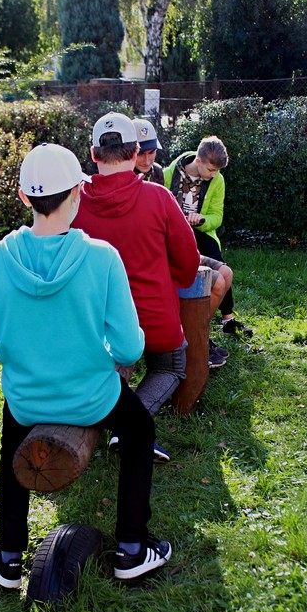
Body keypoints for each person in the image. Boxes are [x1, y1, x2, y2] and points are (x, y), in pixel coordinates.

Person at [0, 143, 172, 588]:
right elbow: (129, 348)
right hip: (93, 398)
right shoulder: (102, 257)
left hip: (27, 401)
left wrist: (21, 354)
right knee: (140, 430)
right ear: (79, 192)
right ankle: (132, 549)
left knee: (12, 439)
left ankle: (9, 556)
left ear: (24, 197)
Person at [73, 112, 200, 461]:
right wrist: (173, 279)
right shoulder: (159, 197)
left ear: (94, 154)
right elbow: (188, 262)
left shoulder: (74, 202)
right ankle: (131, 425)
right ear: (134, 153)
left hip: (96, 323)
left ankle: (115, 420)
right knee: (170, 365)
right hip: (154, 319)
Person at [133, 119, 230, 368]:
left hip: (177, 242)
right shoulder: (164, 174)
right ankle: (193, 339)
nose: (147, 159)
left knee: (224, 275)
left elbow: (210, 216)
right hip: (153, 253)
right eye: (141, 153)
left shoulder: (156, 172)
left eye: (152, 152)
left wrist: (199, 223)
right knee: (213, 280)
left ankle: (196, 335)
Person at [164, 136, 253, 338]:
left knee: (219, 261)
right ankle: (189, 324)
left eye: (217, 171)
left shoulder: (217, 180)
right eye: (211, 170)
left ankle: (225, 319)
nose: (214, 175)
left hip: (201, 231)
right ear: (198, 161)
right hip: (172, 234)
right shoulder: (169, 174)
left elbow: (217, 217)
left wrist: (202, 220)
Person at [132, 117, 165, 185]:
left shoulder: (157, 172)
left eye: (151, 152)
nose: (147, 162)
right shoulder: (118, 176)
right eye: (140, 154)